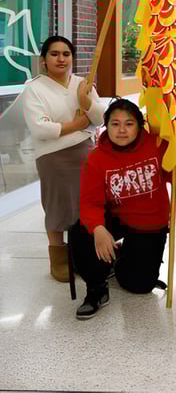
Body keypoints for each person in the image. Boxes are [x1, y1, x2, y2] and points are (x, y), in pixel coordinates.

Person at [71, 99, 173, 319]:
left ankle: (119, 255)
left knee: (139, 285)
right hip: (115, 216)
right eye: (115, 124)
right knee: (81, 231)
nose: (122, 130)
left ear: (139, 125)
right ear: (106, 126)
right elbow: (90, 202)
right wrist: (98, 228)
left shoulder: (157, 145)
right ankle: (97, 289)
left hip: (149, 221)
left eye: (129, 123)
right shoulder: (97, 157)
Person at [21, 35, 103, 282]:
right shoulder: (34, 88)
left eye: (66, 54)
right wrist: (77, 124)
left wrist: (86, 102)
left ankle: (82, 254)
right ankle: (57, 258)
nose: (61, 58)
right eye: (54, 54)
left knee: (86, 205)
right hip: (52, 157)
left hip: (85, 153)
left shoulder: (82, 83)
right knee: (57, 206)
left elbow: (98, 119)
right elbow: (40, 129)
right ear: (44, 60)